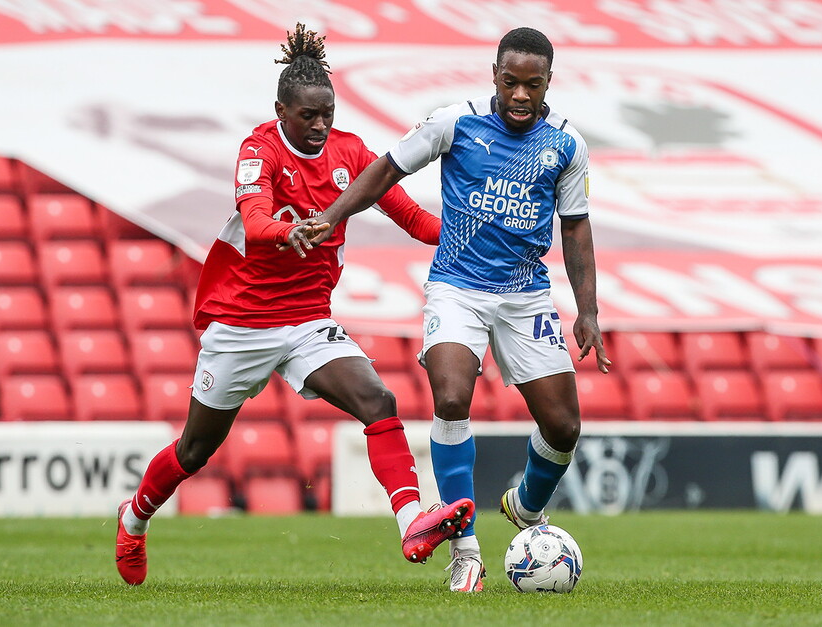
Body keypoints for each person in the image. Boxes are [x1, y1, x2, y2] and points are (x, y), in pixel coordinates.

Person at [114, 24, 474, 586]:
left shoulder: (351, 152)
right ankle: (134, 518)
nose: (320, 125)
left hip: (307, 321)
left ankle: (411, 521)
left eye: (327, 112)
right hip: (241, 321)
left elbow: (412, 217)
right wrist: (287, 234)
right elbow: (255, 219)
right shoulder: (258, 148)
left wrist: (466, 229)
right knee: (195, 449)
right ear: (281, 110)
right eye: (308, 115)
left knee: (378, 397)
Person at [307, 27, 610, 593]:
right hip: (458, 287)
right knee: (450, 396)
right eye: (511, 82)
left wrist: (587, 310)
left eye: (533, 84)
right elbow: (385, 170)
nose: (521, 95)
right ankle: (464, 549)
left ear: (549, 82)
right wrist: (331, 213)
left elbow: (577, 230)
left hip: (526, 295)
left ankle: (524, 507)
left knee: (564, 427)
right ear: (494, 75)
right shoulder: (455, 122)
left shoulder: (566, 145)